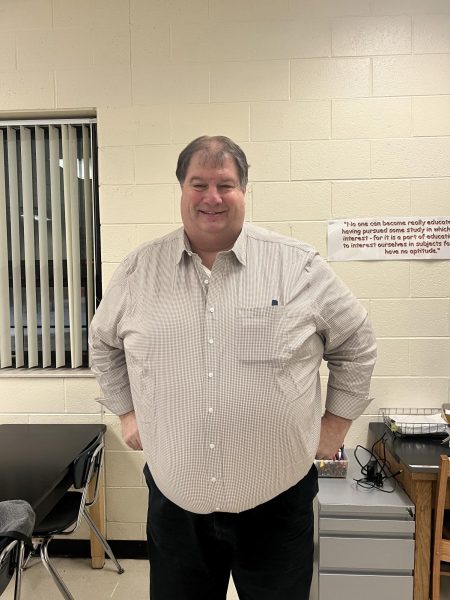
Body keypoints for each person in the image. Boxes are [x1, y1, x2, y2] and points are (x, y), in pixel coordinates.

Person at [89, 135, 377, 600]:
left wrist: (335, 426)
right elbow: (102, 344)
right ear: (181, 189)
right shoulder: (138, 272)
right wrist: (126, 411)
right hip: (176, 501)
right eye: (198, 183)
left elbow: (357, 342)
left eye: (225, 184)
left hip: (276, 501)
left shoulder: (297, 267)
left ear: (244, 189)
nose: (212, 198)